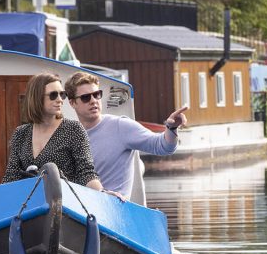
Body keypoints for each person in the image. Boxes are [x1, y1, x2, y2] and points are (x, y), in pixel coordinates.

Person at [66, 71, 188, 200]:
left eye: (97, 95)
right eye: (86, 97)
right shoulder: (69, 136)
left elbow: (163, 146)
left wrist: (172, 127)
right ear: (72, 103)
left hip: (115, 210)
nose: (93, 101)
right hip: (81, 210)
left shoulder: (121, 126)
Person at [1, 72, 108, 191]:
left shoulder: (73, 129)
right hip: (28, 206)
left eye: (62, 95)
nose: (60, 100)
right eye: (53, 95)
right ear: (37, 97)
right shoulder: (20, 133)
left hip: (65, 205)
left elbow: (87, 173)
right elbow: (11, 177)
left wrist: (103, 193)